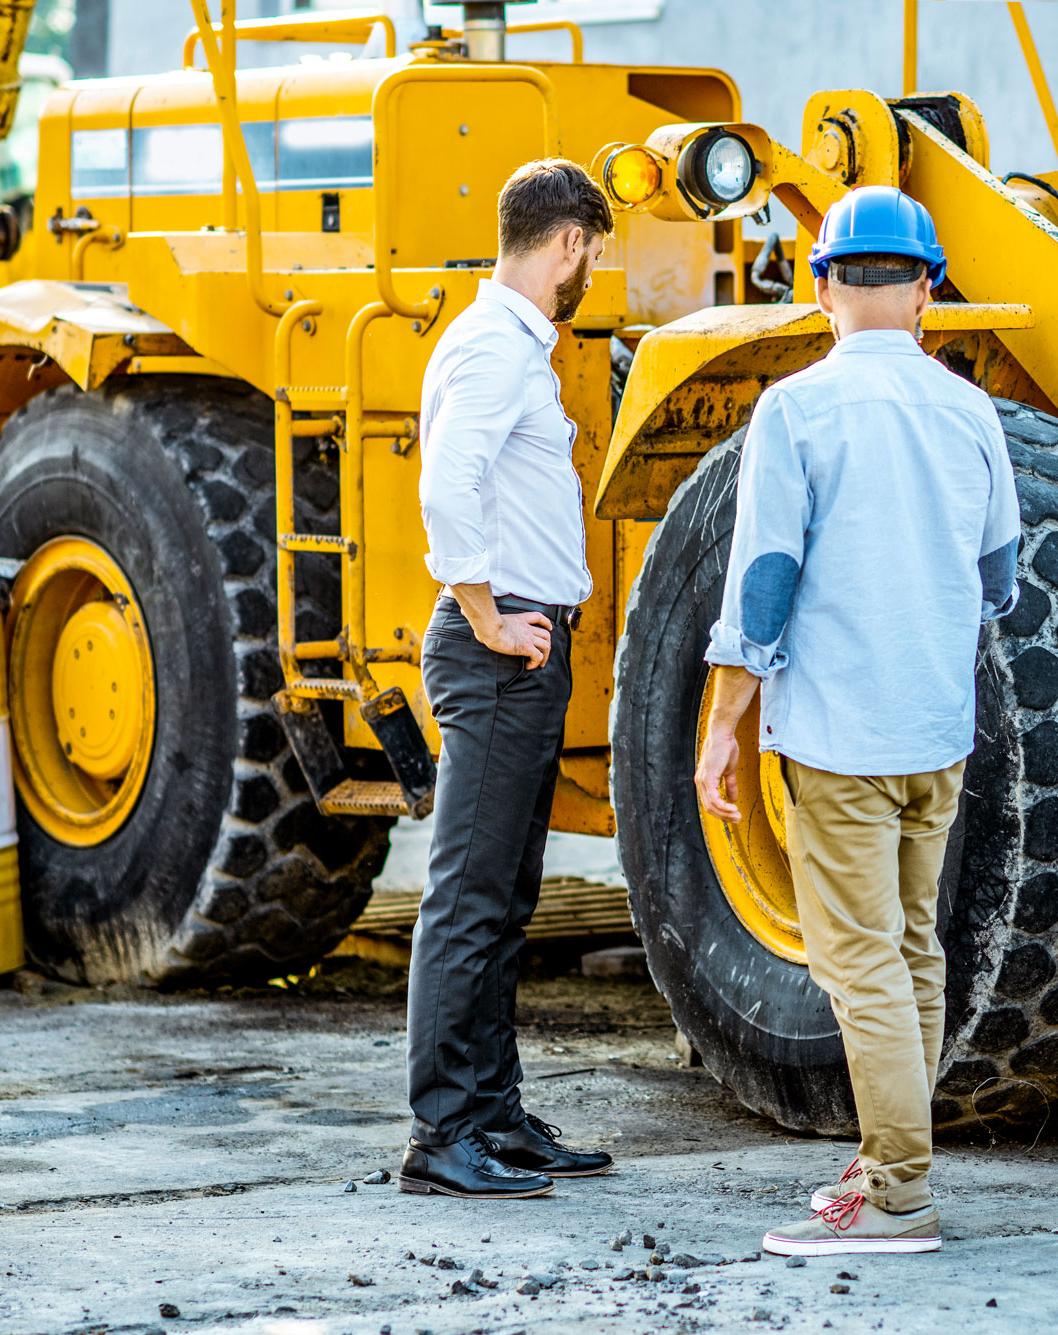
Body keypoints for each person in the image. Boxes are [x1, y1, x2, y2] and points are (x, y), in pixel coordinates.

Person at [694, 186, 1021, 1254]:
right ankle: (892, 1159)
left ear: (821, 285)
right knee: (910, 954)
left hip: (837, 735)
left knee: (859, 966)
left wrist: (722, 726)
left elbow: (765, 580)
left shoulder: (796, 409)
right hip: (937, 728)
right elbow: (999, 578)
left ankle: (897, 1200)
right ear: (927, 290)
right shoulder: (969, 412)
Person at [401, 158, 616, 1200]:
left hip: (523, 644)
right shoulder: (495, 346)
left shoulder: (511, 346)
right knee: (468, 899)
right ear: (567, 241)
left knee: (506, 896)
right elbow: (447, 482)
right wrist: (485, 611)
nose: (589, 273)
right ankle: (441, 1134)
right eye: (592, 253)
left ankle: (492, 1113)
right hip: (496, 648)